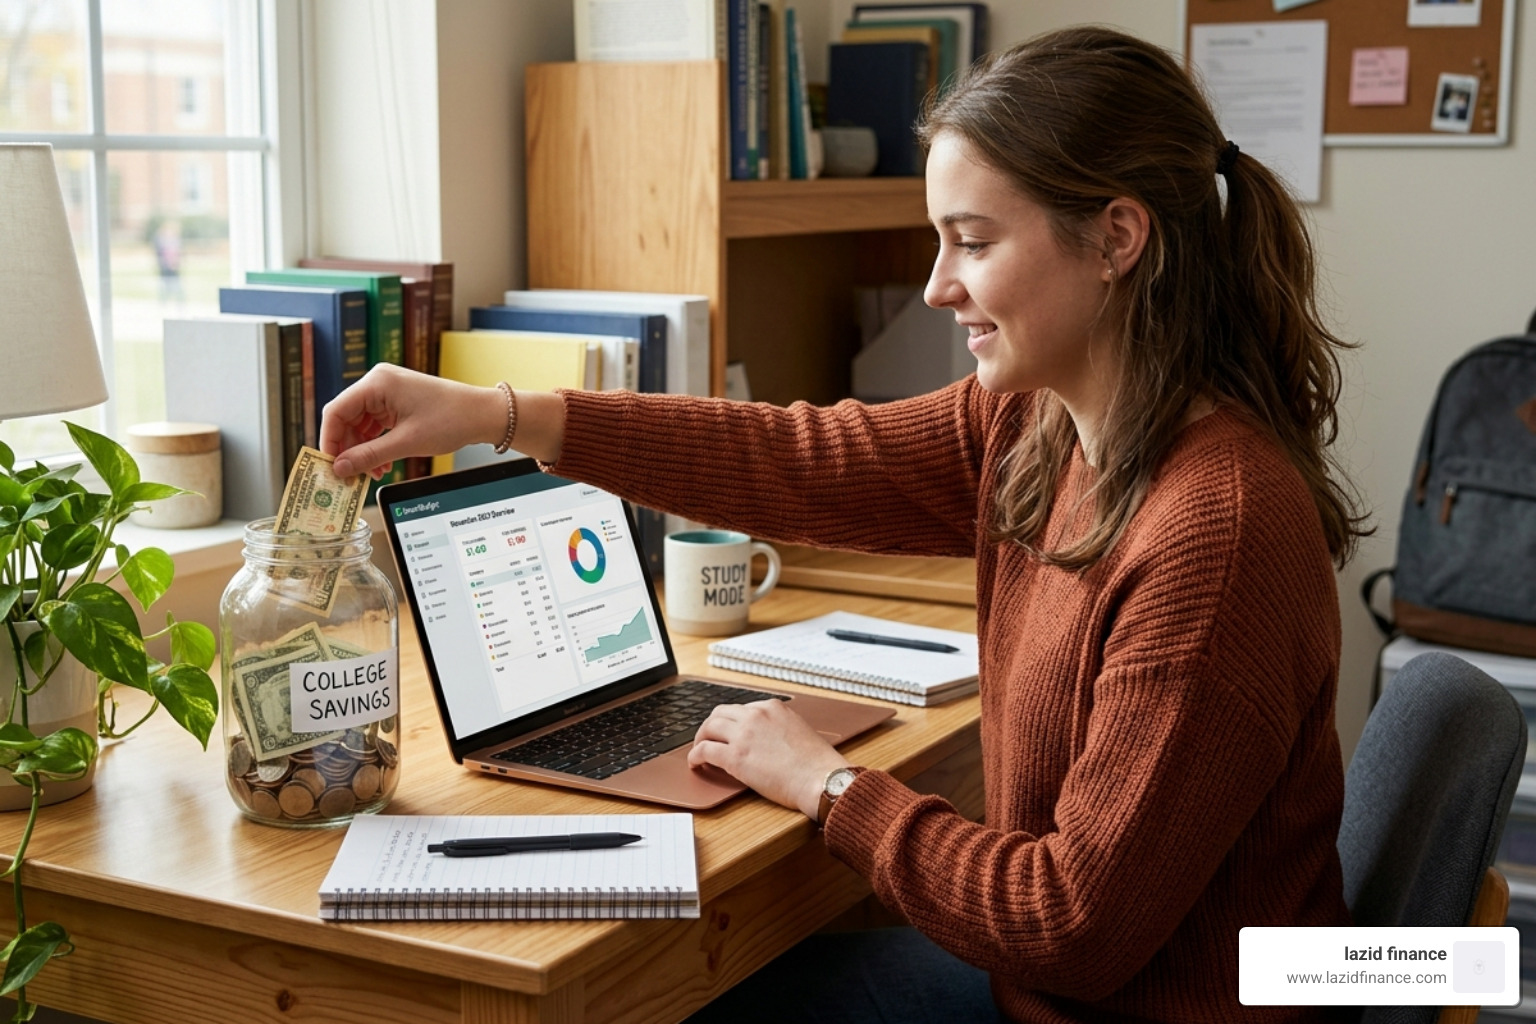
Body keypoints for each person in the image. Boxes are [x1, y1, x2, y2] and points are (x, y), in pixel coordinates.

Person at [322, 26, 1366, 1024]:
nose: (937, 284)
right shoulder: (1039, 423)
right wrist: (501, 414)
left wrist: (825, 784)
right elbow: (798, 458)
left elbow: (1068, 923)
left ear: (1117, 238)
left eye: (975, 241)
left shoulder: (1213, 531)